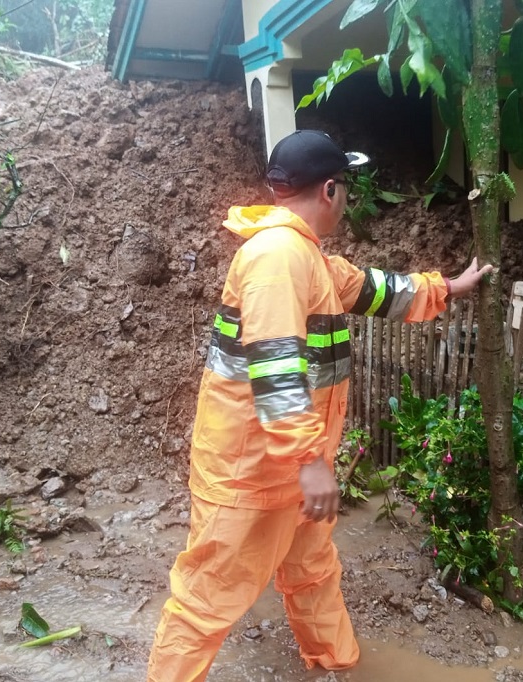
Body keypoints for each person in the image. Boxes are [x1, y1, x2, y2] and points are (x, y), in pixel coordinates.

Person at [146, 129, 494, 681]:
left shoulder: (306, 258)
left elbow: (375, 290)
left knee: (310, 569)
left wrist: (448, 287)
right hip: (252, 471)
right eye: (346, 189)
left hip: (289, 465)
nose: (347, 200)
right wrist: (309, 463)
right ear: (329, 189)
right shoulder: (278, 258)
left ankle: (335, 666)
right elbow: (277, 366)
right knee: (207, 597)